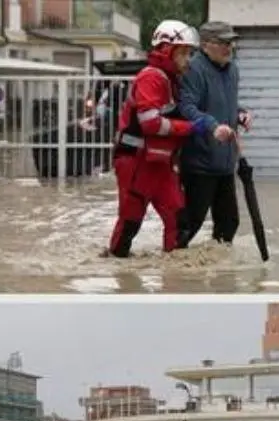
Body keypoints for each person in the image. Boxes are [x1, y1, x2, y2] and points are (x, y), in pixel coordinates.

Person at [105, 20, 233, 258]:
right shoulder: (151, 78)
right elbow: (150, 123)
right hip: (136, 162)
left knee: (180, 223)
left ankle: (173, 279)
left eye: (189, 52)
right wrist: (192, 127)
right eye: (183, 53)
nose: (188, 59)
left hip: (160, 163)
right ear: (166, 50)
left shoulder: (172, 79)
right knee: (130, 223)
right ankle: (120, 279)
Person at [175, 21, 254, 249]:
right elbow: (187, 108)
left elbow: (225, 105)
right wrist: (212, 126)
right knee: (190, 225)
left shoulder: (232, 69)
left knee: (229, 224)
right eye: (223, 43)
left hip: (225, 162)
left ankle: (219, 276)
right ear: (206, 45)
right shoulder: (194, 69)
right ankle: (173, 274)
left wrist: (240, 114)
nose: (229, 47)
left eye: (231, 43)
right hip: (199, 163)